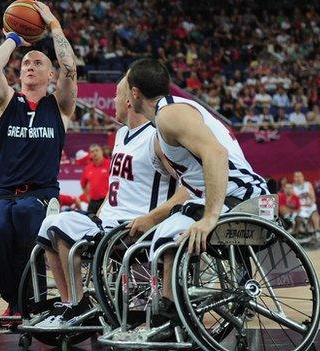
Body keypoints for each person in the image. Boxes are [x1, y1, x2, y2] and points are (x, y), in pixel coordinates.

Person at [124, 58, 269, 324]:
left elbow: (216, 153)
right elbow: (189, 187)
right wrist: (152, 217)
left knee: (172, 230)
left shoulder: (170, 114)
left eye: (123, 86)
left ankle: (169, 315)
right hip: (232, 195)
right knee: (171, 223)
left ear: (135, 93)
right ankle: (170, 309)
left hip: (244, 196)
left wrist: (210, 217)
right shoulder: (162, 124)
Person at [35, 78, 177, 326]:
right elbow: (118, 186)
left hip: (134, 227)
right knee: (48, 226)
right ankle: (68, 303)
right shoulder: (122, 134)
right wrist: (101, 211)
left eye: (115, 95)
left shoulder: (156, 137)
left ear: (130, 100)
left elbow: (184, 182)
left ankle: (78, 306)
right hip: (108, 221)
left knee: (62, 227)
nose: (112, 101)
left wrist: (154, 218)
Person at [0, 1, 77, 322]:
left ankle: (35, 300)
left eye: (38, 62)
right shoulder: (5, 101)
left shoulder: (59, 107)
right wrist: (14, 40)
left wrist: (52, 25)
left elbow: (71, 68)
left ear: (50, 74)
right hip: (4, 192)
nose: (30, 66)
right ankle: (16, 302)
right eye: (25, 64)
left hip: (41, 193)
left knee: (26, 219)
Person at [292, 171, 320, 240]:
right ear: (294, 178)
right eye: (297, 177)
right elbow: (295, 201)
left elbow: (313, 198)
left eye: (300, 176)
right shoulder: (293, 187)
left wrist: (311, 202)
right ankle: (304, 234)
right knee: (300, 214)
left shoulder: (308, 184)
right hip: (301, 207)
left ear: (303, 177)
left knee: (314, 211)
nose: (298, 178)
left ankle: (317, 232)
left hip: (310, 205)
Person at [80, 144, 109, 214]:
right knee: (89, 222)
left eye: (97, 150)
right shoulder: (88, 168)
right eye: (92, 151)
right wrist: (87, 197)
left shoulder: (109, 164)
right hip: (92, 202)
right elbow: (83, 184)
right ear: (90, 154)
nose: (95, 153)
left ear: (102, 152)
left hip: (106, 202)